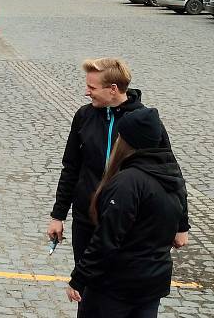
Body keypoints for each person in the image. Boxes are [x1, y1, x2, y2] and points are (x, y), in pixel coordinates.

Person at [48, 58, 189, 272]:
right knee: (84, 286)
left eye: (92, 87)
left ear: (113, 89)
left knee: (117, 287)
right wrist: (58, 215)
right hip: (86, 219)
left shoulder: (144, 122)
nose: (86, 92)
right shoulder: (84, 116)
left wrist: (181, 226)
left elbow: (171, 171)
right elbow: (71, 168)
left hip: (127, 221)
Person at [66, 107, 187, 318]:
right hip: (151, 286)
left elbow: (107, 238)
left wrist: (79, 278)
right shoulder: (171, 177)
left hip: (116, 288)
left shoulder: (128, 182)